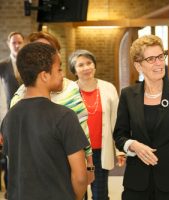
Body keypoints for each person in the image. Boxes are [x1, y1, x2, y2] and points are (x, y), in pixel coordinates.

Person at [113, 35, 169, 200]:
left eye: (161, 57)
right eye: (151, 59)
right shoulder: (128, 95)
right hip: (137, 182)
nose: (159, 63)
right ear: (138, 65)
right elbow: (119, 135)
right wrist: (133, 145)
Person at [0, 42, 89, 200]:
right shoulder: (65, 116)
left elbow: (13, 165)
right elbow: (81, 177)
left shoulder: (9, 117)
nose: (62, 74)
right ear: (44, 75)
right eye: (59, 69)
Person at [68, 49, 126, 200]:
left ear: (94, 65)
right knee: (77, 193)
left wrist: (119, 150)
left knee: (100, 194)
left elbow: (116, 120)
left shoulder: (108, 88)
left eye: (89, 63)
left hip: (100, 151)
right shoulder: (68, 91)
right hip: (76, 152)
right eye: (81, 65)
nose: (86, 67)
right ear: (74, 70)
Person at [0, 31, 24, 197]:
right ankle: (11, 191)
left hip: (29, 115)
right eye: (14, 42)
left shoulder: (29, 63)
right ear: (8, 44)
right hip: (9, 117)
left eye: (19, 42)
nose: (17, 45)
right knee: (10, 156)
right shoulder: (2, 65)